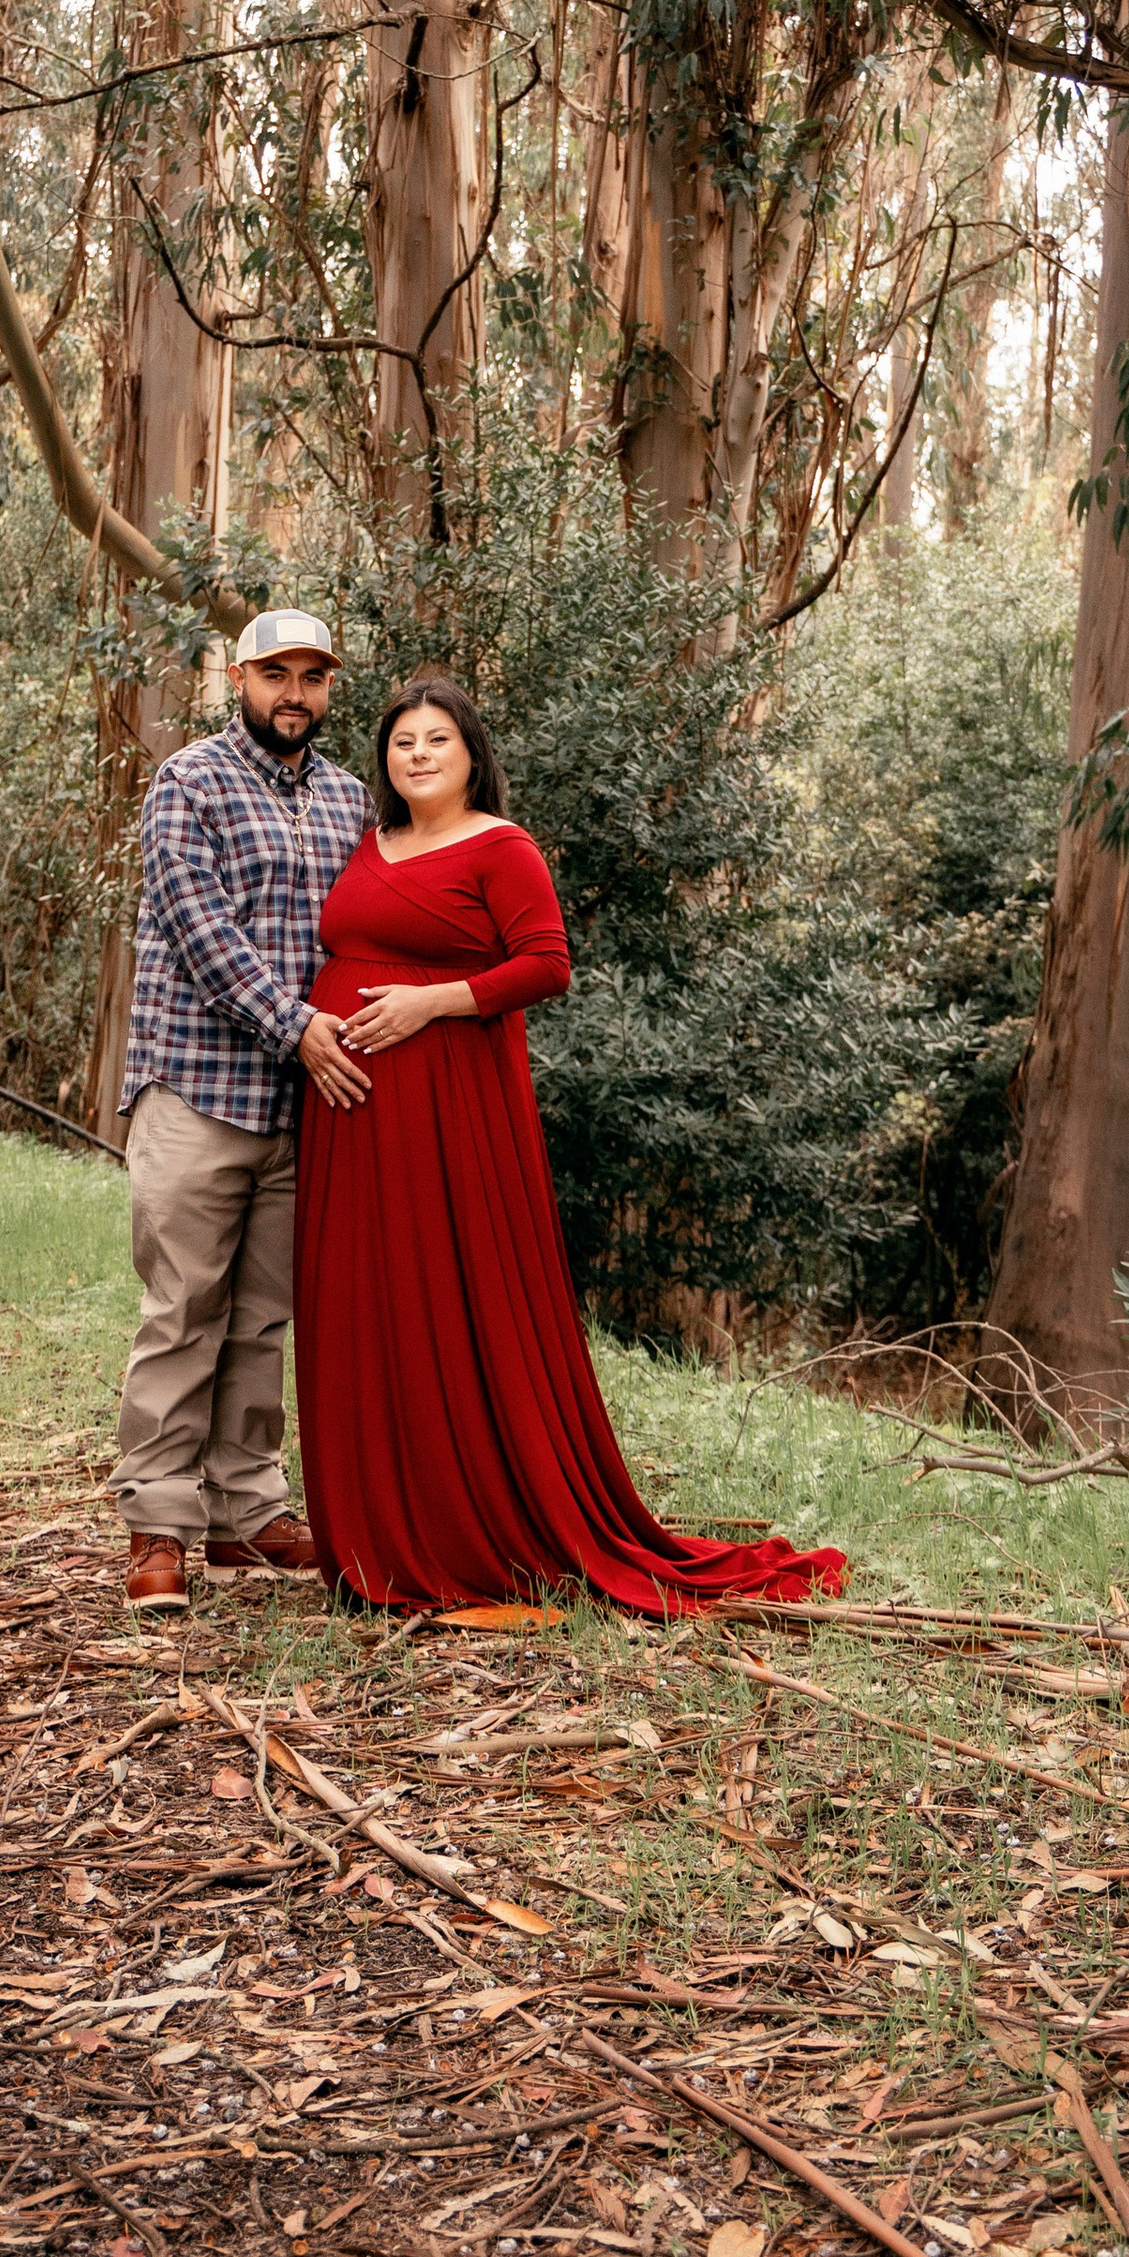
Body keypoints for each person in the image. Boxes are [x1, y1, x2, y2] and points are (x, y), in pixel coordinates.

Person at [296, 670, 846, 1615]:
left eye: (437, 740)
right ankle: (372, 1532)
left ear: (472, 755)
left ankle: (463, 1530)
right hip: (352, 1114)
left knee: (444, 1297)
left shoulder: (501, 848)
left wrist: (432, 1002)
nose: (417, 755)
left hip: (448, 1111)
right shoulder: (370, 842)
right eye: (401, 742)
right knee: (366, 1301)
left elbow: (546, 965)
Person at [111, 607, 367, 1615]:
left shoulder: (352, 800)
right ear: (239, 680)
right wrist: (296, 1025)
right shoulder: (189, 781)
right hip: (198, 1089)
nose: (293, 694)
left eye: (312, 677)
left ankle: (245, 1512)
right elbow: (198, 925)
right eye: (275, 675)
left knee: (263, 1320)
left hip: (302, 1108)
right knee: (183, 1311)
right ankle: (159, 1526)